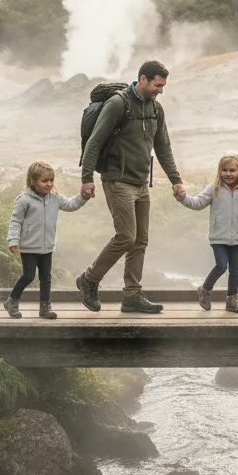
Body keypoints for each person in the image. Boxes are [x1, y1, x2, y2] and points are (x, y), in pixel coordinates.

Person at [75, 59, 185, 314]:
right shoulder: (118, 104)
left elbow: (163, 147)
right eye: (158, 85)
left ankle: (132, 295)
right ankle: (89, 280)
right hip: (117, 180)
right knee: (126, 236)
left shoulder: (156, 109)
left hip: (141, 183)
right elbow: (94, 141)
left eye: (163, 86)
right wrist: (86, 179)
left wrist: (176, 180)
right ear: (143, 79)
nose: (161, 90)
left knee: (140, 241)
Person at [178, 153, 238, 313]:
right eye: (224, 170)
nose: (228, 174)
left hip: (237, 238)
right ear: (219, 171)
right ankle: (205, 289)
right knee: (222, 265)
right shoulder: (214, 188)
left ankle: (232, 301)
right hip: (218, 237)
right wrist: (183, 198)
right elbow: (198, 203)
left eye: (232, 170)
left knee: (235, 269)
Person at [4, 161, 89, 319]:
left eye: (51, 180)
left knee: (46, 277)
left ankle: (45, 307)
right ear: (32, 181)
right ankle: (12, 301)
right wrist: (13, 240)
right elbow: (15, 221)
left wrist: (83, 196)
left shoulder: (55, 198)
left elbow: (70, 204)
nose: (49, 184)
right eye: (45, 181)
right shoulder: (24, 200)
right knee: (28, 276)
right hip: (29, 247)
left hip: (47, 247)